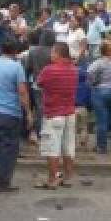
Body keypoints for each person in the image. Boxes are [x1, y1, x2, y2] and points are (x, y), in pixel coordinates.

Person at [0, 39, 31, 192]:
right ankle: (3, 182)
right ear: (15, 52)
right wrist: (28, 113)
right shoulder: (17, 67)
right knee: (8, 148)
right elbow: (22, 92)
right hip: (10, 113)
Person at [34, 42, 78, 189]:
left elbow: (38, 84)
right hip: (70, 113)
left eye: (53, 52)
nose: (50, 55)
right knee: (68, 146)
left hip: (53, 114)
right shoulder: (73, 70)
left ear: (58, 54)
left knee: (52, 147)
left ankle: (52, 179)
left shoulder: (48, 70)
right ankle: (67, 178)